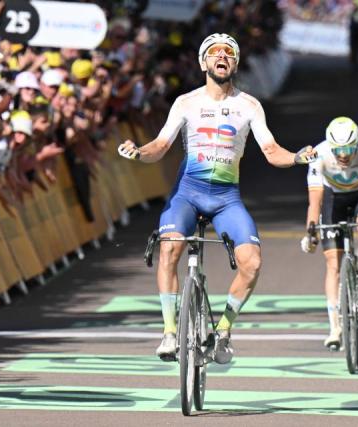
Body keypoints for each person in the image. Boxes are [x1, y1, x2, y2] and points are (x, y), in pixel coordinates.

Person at [118, 33, 316, 363]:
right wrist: (138, 153)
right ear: (203, 62)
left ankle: (223, 330)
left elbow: (271, 151)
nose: (221, 56)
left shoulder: (249, 105)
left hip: (226, 199)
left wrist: (296, 157)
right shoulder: (186, 102)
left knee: (252, 263)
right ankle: (169, 332)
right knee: (169, 249)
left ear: (235, 63)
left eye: (229, 53)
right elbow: (159, 147)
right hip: (188, 195)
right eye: (214, 53)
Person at [300, 116, 358, 349]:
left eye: (349, 148)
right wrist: (311, 232)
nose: (344, 154)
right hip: (332, 200)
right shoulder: (319, 153)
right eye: (338, 149)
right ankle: (335, 327)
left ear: (357, 144)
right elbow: (315, 201)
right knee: (333, 264)